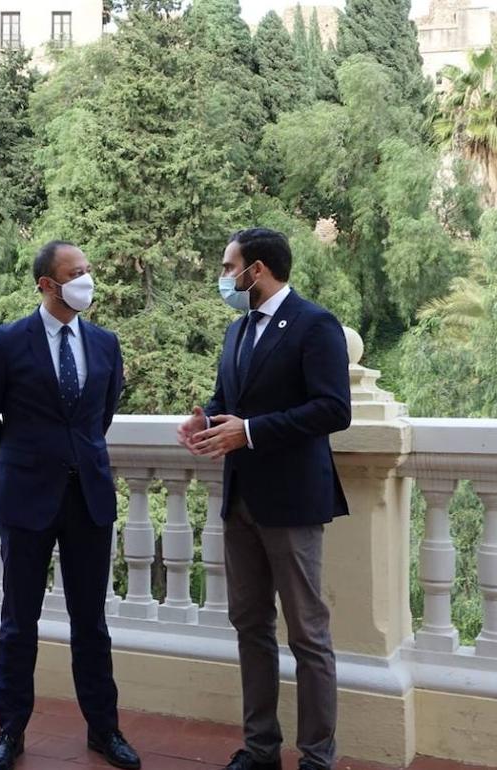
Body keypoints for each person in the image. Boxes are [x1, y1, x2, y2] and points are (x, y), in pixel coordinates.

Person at [177, 228, 351, 770]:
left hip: (293, 502)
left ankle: (317, 758)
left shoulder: (314, 325)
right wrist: (205, 418)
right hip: (241, 501)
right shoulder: (235, 332)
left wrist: (248, 432)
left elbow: (333, 410)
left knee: (308, 635)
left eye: (229, 267)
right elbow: (230, 398)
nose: (223, 276)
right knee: (250, 626)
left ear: (257, 270)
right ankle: (260, 749)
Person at [0, 241, 141, 770]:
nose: (86, 280)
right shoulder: (7, 342)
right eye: (75, 273)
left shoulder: (106, 344)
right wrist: (18, 468)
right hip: (27, 499)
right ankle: (10, 733)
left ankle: (104, 730)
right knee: (19, 622)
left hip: (88, 496)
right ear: (46, 284)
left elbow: (99, 416)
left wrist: (72, 458)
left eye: (88, 270)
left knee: (92, 622)